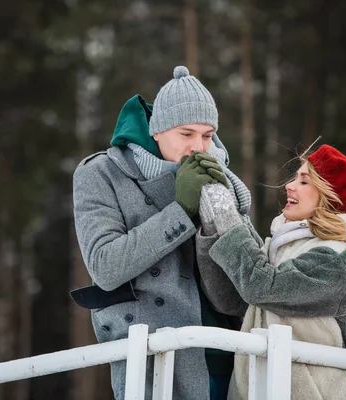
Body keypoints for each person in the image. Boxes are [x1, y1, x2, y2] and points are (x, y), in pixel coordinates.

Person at [71, 65, 257, 400]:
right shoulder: (100, 173)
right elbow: (105, 267)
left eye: (207, 135)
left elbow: (249, 280)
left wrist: (224, 210)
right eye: (186, 135)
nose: (198, 148)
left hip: (233, 359)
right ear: (157, 131)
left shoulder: (220, 179)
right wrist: (181, 210)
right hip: (155, 363)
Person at [196, 144, 346, 400]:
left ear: (329, 197)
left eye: (304, 181)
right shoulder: (283, 246)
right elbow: (229, 300)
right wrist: (212, 229)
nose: (289, 185)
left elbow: (261, 286)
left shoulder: (336, 258)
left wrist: (229, 220)